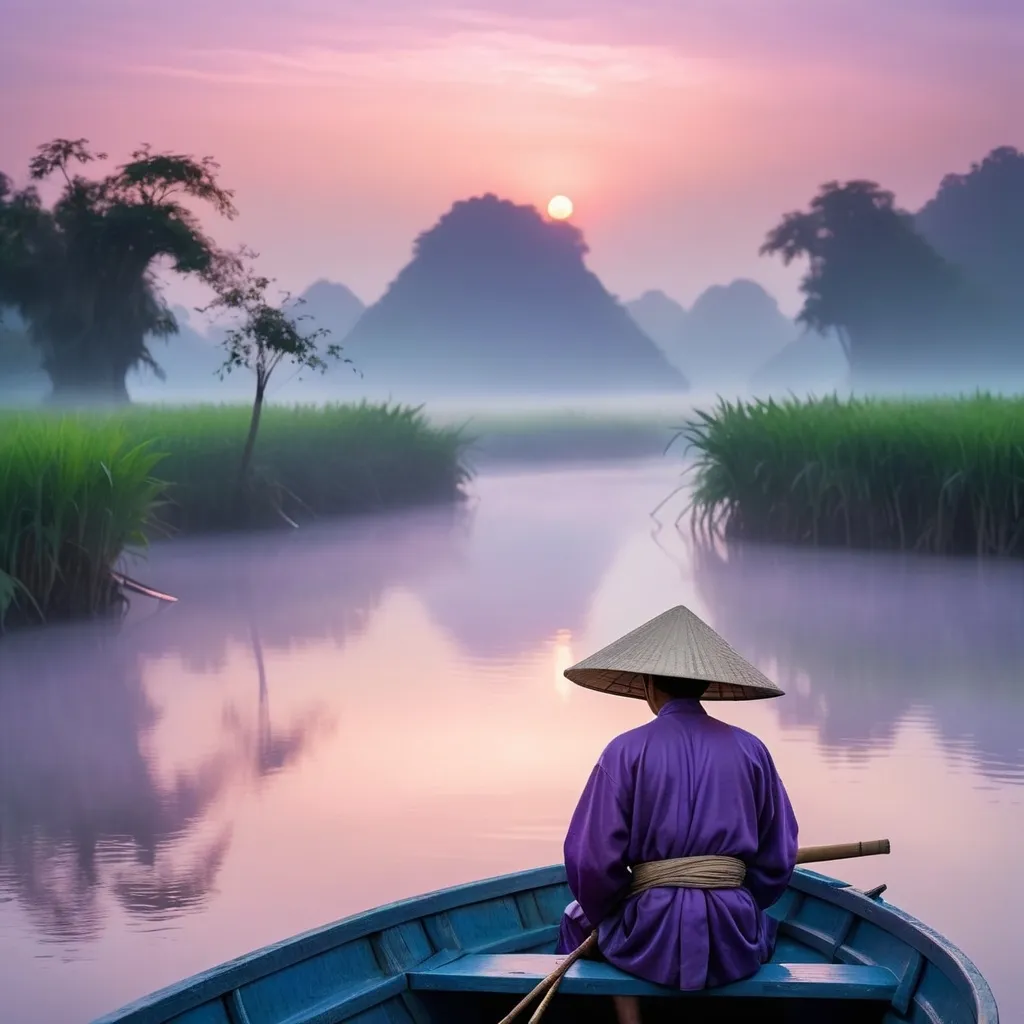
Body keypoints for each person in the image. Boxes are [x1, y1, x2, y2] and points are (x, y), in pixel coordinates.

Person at [556, 605, 799, 1024]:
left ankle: (625, 1017)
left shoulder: (624, 751)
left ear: (648, 685)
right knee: (769, 929)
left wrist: (614, 911)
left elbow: (590, 864)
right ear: (706, 682)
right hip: (733, 935)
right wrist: (735, 897)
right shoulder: (752, 750)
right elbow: (778, 859)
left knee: (575, 921)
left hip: (648, 933)